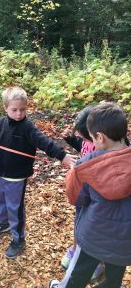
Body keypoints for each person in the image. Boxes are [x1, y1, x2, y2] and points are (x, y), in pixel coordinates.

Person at [0, 86, 76, 259]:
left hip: (17, 177)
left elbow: (44, 142)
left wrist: (62, 156)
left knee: (14, 207)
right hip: (1, 172)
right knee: (0, 200)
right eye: (14, 110)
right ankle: (4, 223)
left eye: (22, 110)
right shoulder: (1, 123)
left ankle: (19, 239)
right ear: (6, 108)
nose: (18, 114)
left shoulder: (28, 127)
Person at [49, 102, 131, 288]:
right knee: (114, 278)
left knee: (77, 275)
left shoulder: (85, 166)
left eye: (92, 138)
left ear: (100, 137)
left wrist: (73, 173)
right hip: (126, 239)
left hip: (94, 235)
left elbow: (75, 198)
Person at [61, 106, 104, 281]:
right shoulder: (90, 141)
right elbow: (83, 147)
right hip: (83, 192)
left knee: (96, 229)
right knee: (79, 222)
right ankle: (75, 249)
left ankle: (98, 262)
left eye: (83, 136)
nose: (82, 140)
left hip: (97, 197)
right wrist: (72, 140)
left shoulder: (106, 148)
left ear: (97, 135)